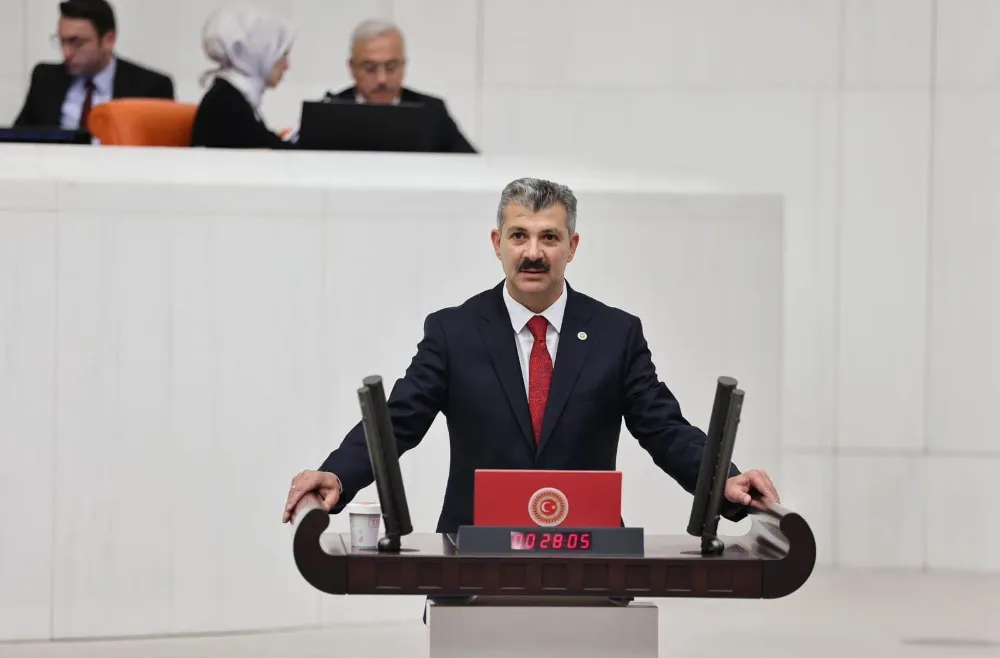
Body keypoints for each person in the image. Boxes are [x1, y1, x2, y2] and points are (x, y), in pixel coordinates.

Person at [283, 177, 780, 531]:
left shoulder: (616, 333)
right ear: (497, 243)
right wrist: (338, 473)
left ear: (572, 246)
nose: (533, 252)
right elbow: (398, 421)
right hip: (472, 554)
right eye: (519, 235)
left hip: (590, 554)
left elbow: (664, 429)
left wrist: (726, 481)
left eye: (550, 237)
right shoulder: (453, 331)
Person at [321, 18, 476, 154]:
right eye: (370, 68)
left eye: (391, 67)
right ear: (352, 68)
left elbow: (471, 165)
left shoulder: (431, 112)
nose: (382, 79)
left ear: (404, 66)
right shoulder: (328, 113)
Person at [13, 0, 174, 130]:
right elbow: (18, 140)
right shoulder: (45, 80)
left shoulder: (150, 88)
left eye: (76, 42)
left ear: (108, 40)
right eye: (62, 41)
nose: (66, 53)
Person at [189, 3, 295, 149]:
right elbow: (270, 148)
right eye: (282, 54)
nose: (287, 65)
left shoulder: (231, 94)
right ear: (259, 54)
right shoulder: (227, 104)